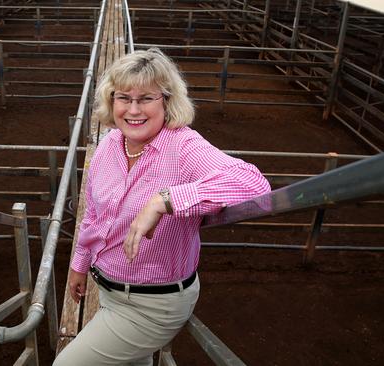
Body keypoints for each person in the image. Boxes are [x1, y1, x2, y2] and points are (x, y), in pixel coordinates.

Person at [53, 48, 271, 366]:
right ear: (111, 101)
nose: (133, 109)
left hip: (152, 304)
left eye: (146, 98)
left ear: (166, 101)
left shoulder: (183, 146)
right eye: (123, 97)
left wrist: (164, 200)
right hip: (112, 294)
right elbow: (95, 216)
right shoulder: (109, 146)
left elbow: (253, 185)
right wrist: (80, 265)